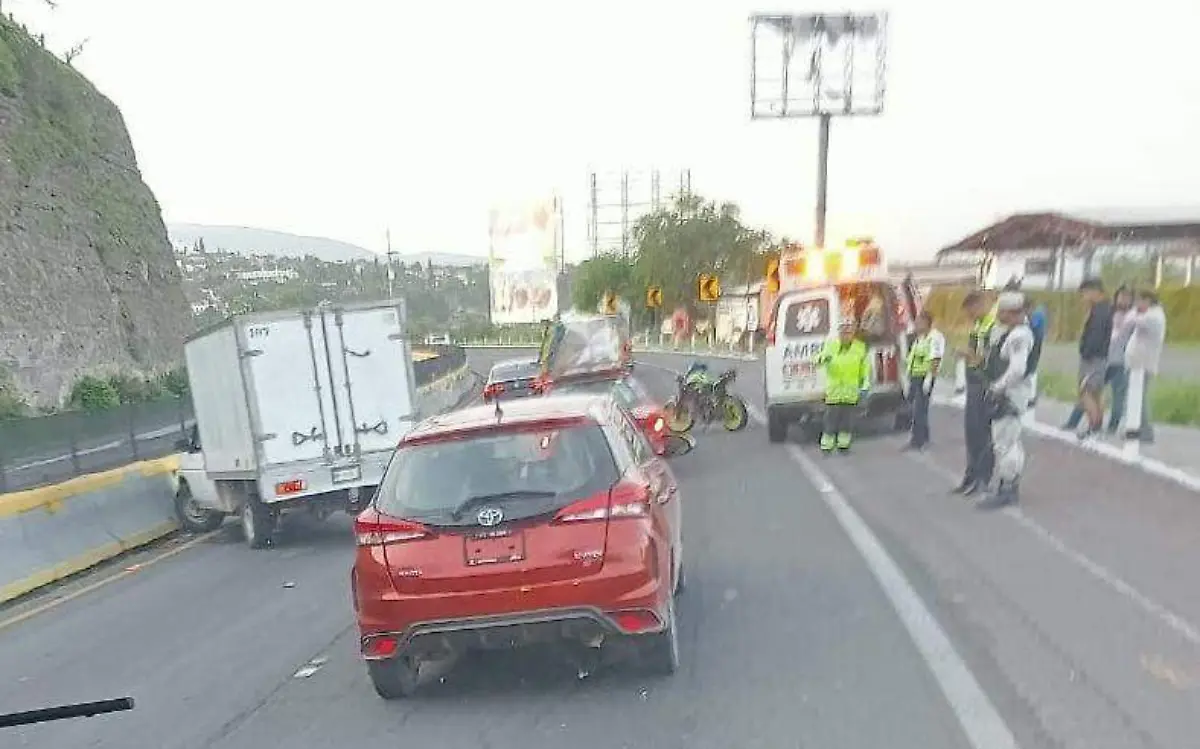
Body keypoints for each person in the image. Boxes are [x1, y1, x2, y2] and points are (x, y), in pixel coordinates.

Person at [978, 292, 1035, 509]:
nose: (998, 315)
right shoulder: (1013, 333)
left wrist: (998, 387)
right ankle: (1008, 483)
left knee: (1005, 443)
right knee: (1008, 441)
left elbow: (1017, 369)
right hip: (1010, 394)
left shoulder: (1018, 336)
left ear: (1011, 313)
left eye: (1002, 311)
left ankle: (1008, 488)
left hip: (1010, 395)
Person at [1062, 285, 1132, 433]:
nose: (1122, 300)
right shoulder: (1112, 312)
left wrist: (1087, 351)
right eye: (1121, 296)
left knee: (1089, 391)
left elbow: (1097, 334)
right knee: (1093, 392)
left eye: (1126, 297)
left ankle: (1100, 425)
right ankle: (1076, 422)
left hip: (1112, 359)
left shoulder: (1127, 316)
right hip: (1106, 357)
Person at [952, 291, 996, 496]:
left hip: (984, 382)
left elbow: (987, 358)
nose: (969, 316)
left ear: (978, 306)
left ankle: (983, 477)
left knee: (982, 433)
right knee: (971, 432)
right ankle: (971, 475)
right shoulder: (978, 325)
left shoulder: (992, 325)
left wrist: (969, 354)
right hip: (973, 381)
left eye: (970, 311)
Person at [816, 319, 870, 454]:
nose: (846, 334)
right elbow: (818, 359)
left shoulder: (860, 348)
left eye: (849, 331)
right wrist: (823, 359)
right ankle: (827, 447)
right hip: (834, 393)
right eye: (843, 331)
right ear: (839, 333)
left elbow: (865, 369)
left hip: (850, 393)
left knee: (847, 422)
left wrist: (865, 386)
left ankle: (843, 446)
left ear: (853, 333)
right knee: (830, 422)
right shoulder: (831, 346)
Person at [1123, 289, 1166, 443]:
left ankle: (1145, 431)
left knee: (1139, 398)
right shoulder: (1147, 314)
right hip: (1136, 362)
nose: (1137, 305)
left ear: (1148, 301)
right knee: (1134, 397)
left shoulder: (1154, 316)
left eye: (1140, 301)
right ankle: (1136, 428)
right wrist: (1136, 312)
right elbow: (1128, 321)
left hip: (1143, 364)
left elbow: (1130, 321)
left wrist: (1135, 312)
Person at [1075, 278, 1114, 439]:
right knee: (1096, 393)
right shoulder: (1105, 309)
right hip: (1100, 357)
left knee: (1086, 392)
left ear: (1094, 291)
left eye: (1084, 293)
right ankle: (1096, 426)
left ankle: (1094, 427)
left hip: (1093, 358)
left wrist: (1086, 351)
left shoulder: (1099, 312)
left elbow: (1095, 336)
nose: (1083, 297)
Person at [902, 310, 945, 451]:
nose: (916, 325)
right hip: (915, 377)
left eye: (919, 322)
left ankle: (918, 440)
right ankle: (923, 438)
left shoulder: (935, 337)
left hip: (925, 377)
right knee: (917, 408)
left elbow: (935, 359)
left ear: (927, 323)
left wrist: (929, 378)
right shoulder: (919, 338)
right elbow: (913, 358)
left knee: (919, 409)